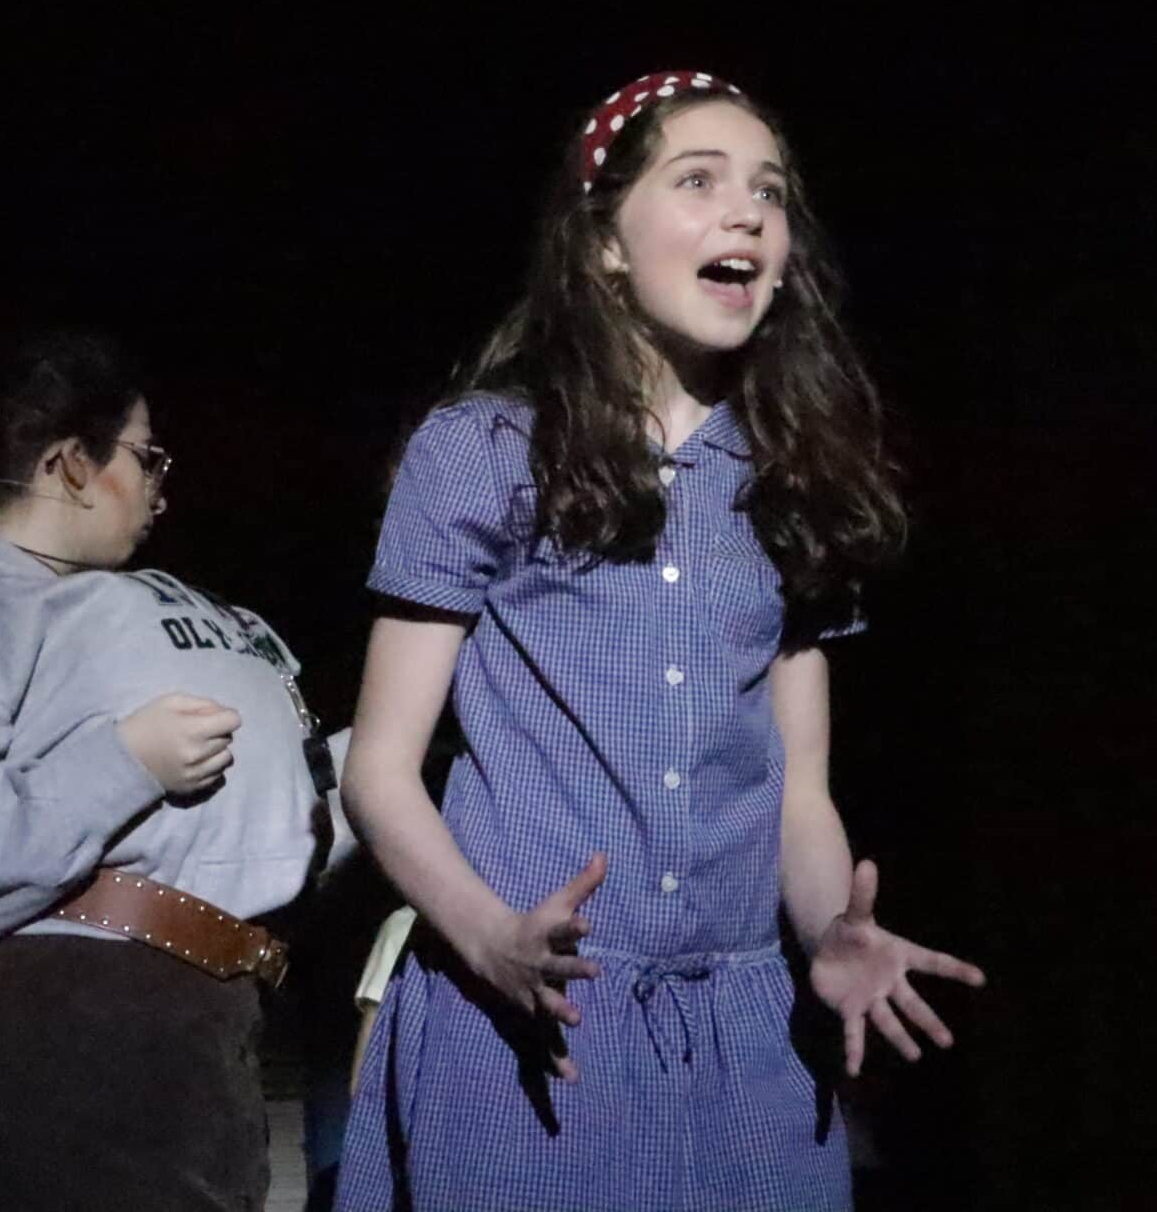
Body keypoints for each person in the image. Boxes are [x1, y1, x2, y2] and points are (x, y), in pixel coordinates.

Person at [333, 72, 985, 1212]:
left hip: (743, 1031)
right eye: (699, 181)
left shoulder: (792, 477)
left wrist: (829, 932)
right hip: (537, 1010)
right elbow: (379, 772)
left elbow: (799, 793)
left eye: (769, 193)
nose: (747, 214)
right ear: (603, 246)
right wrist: (488, 938)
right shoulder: (486, 448)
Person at [0, 327, 323, 1211]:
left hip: (188, 1037)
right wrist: (121, 764)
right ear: (71, 464)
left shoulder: (104, 609)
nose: (162, 488)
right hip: (43, 1055)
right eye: (146, 457)